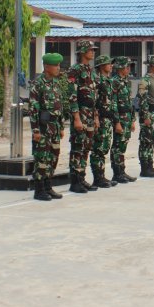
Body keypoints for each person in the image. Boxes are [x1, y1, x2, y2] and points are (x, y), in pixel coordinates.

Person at [29, 53, 66, 201]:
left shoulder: (55, 84)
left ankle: (48, 186)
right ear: (46, 67)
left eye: (58, 65)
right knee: (42, 158)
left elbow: (60, 106)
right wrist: (36, 130)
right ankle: (39, 190)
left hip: (54, 127)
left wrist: (61, 126)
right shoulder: (38, 84)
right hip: (43, 128)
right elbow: (33, 108)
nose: (58, 68)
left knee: (53, 157)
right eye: (55, 65)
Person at [67, 41, 99, 194]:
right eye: (90, 50)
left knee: (87, 147)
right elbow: (72, 96)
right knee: (78, 147)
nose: (93, 52)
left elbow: (95, 96)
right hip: (80, 112)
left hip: (90, 113)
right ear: (83, 51)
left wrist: (96, 116)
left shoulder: (92, 71)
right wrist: (76, 118)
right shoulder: (75, 70)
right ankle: (75, 180)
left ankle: (82, 177)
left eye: (93, 50)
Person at [88, 54, 117, 188]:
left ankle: (102, 175)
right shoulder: (97, 81)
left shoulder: (108, 80)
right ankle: (97, 178)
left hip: (108, 118)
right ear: (101, 66)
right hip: (100, 118)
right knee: (98, 148)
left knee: (105, 147)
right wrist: (95, 118)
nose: (111, 66)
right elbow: (93, 101)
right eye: (108, 63)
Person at [136, 54, 154, 178]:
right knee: (145, 141)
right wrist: (146, 116)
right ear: (152, 66)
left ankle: (150, 165)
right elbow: (142, 99)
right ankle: (144, 168)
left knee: (153, 140)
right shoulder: (145, 80)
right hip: (149, 114)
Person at [110, 56, 137, 184]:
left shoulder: (126, 81)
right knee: (117, 146)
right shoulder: (114, 81)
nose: (129, 68)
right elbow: (113, 103)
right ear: (120, 67)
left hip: (127, 117)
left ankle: (122, 171)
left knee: (123, 145)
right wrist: (117, 122)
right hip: (120, 118)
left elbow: (129, 102)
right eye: (127, 66)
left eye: (129, 66)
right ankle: (117, 173)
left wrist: (132, 119)